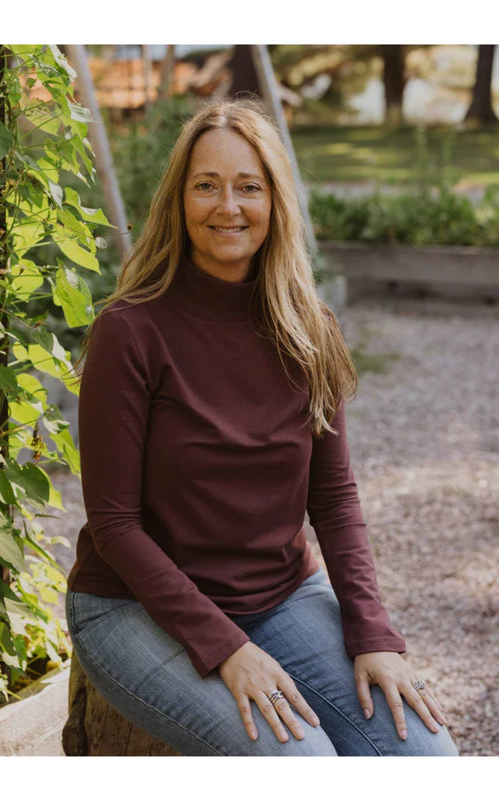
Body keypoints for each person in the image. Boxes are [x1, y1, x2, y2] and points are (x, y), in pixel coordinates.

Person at [65, 98, 459, 756]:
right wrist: (226, 648)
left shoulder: (310, 329)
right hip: (131, 606)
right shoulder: (130, 331)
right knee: (299, 762)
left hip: (278, 598)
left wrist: (372, 634)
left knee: (425, 755)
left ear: (276, 200)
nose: (228, 206)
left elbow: (334, 499)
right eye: (206, 185)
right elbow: (115, 525)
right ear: (178, 199)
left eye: (248, 186)